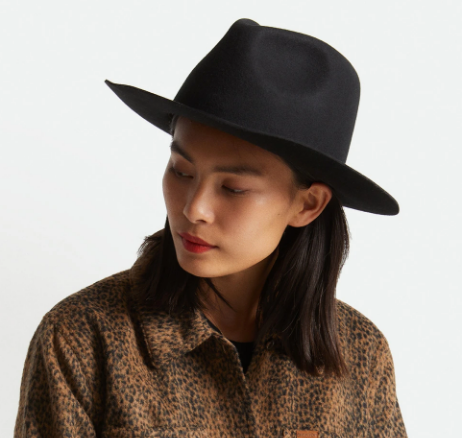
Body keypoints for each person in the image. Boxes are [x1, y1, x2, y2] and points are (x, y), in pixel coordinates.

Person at [14, 18, 408, 437]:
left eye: (233, 188)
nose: (194, 208)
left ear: (308, 205)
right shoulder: (81, 337)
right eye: (181, 171)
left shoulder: (361, 353)